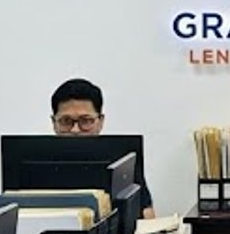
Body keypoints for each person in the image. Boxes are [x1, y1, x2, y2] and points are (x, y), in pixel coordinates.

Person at [50, 77, 155, 217]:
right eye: (66, 121)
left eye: (85, 121)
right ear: (54, 122)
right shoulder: (34, 158)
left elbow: (146, 212)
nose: (75, 130)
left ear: (100, 121)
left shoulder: (122, 157)